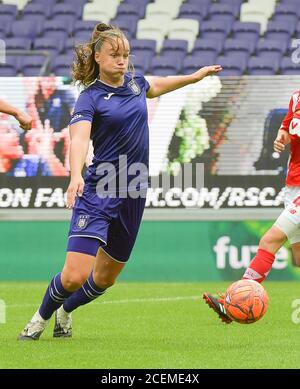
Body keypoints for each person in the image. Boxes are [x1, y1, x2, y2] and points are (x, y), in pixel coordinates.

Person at [18, 22, 222, 340]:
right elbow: (80, 139)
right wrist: (75, 176)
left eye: (125, 54)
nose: (122, 60)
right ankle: (38, 320)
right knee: (74, 276)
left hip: (134, 190)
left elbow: (160, 84)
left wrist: (194, 77)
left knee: (104, 279)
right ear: (98, 57)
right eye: (114, 54)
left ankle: (65, 311)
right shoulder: (90, 98)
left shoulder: (136, 83)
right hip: (100, 190)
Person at [203, 90, 300, 323]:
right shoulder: (296, 97)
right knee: (298, 257)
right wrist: (282, 136)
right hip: (293, 185)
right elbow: (287, 126)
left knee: (269, 241)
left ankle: (231, 302)